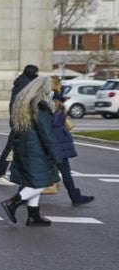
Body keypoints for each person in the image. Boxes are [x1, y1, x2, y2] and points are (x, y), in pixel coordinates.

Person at [1, 76, 61, 227]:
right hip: (37, 148)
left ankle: (33, 216)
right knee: (45, 180)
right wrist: (57, 156)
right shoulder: (41, 104)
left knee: (33, 180)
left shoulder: (23, 101)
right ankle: (13, 203)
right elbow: (46, 133)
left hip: (24, 145)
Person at [50, 77, 95, 207]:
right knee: (64, 171)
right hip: (56, 141)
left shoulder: (52, 100)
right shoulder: (54, 102)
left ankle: (21, 196)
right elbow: (55, 122)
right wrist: (61, 108)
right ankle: (20, 197)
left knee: (57, 170)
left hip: (55, 141)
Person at [0, 64, 38, 186]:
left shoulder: (21, 84)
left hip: (18, 121)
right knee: (12, 148)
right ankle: (1, 174)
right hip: (21, 122)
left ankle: (7, 174)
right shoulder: (26, 86)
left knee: (16, 149)